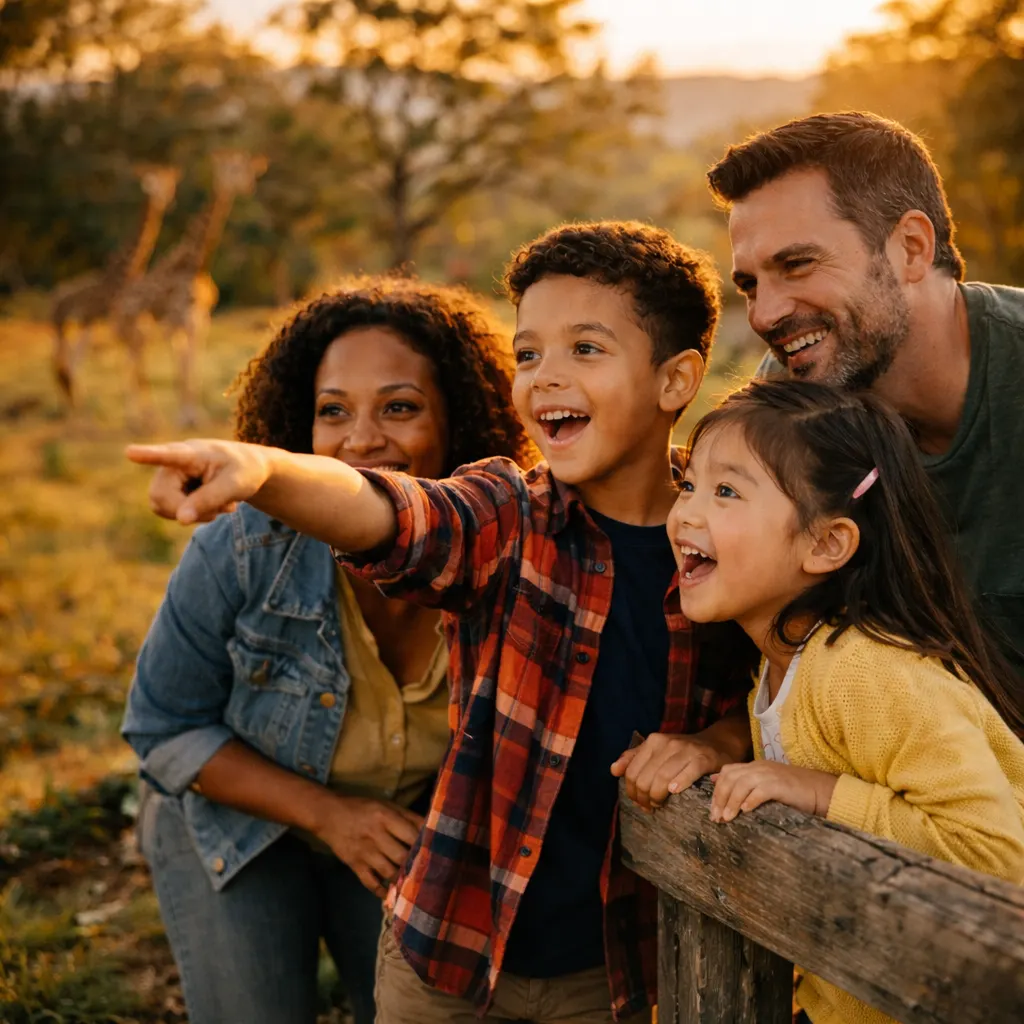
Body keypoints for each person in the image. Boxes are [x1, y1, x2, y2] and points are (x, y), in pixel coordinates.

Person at [125, 221, 760, 1023]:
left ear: (676, 381)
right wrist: (260, 467)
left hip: (613, 973)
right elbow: (391, 511)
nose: (546, 378)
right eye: (528, 354)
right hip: (448, 948)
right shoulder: (506, 515)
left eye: (585, 350)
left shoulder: (723, 544)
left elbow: (773, 690)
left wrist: (718, 742)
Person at [121, 276, 532, 1024]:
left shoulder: (505, 558)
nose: (361, 441)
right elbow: (163, 725)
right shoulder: (246, 543)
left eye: (399, 408)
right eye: (332, 411)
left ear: (460, 422)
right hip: (237, 823)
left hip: (393, 833)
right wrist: (331, 815)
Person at [662, 378, 1024, 1024]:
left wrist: (820, 793)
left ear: (826, 544)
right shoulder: (778, 670)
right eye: (689, 484)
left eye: (726, 492)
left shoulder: (868, 672)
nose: (687, 513)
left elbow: (998, 857)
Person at [706, 111, 1024, 682]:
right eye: (750, 284)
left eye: (797, 264)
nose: (765, 313)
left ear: (910, 247)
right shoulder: (787, 406)